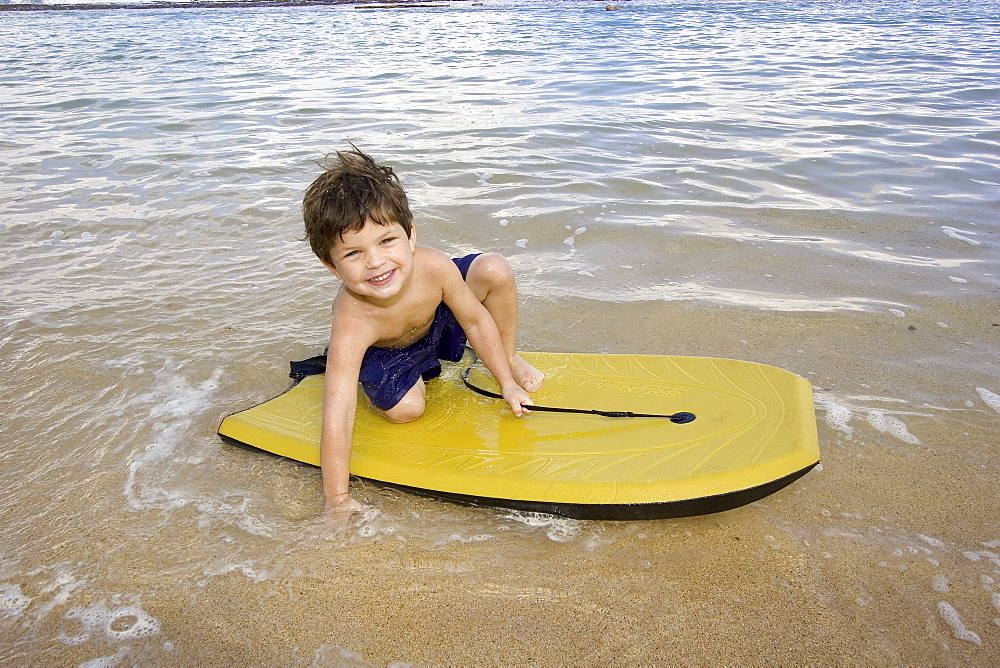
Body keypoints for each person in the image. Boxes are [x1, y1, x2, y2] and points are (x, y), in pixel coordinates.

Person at [302, 147, 544, 518]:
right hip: (388, 350)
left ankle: (509, 358)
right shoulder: (353, 320)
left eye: (387, 241)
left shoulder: (434, 268)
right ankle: (383, 388)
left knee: (495, 269)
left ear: (411, 236)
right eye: (353, 254)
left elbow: (476, 319)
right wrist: (337, 501)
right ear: (331, 266)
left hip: (436, 319)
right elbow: (337, 410)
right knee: (408, 410)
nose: (376, 262)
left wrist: (505, 382)